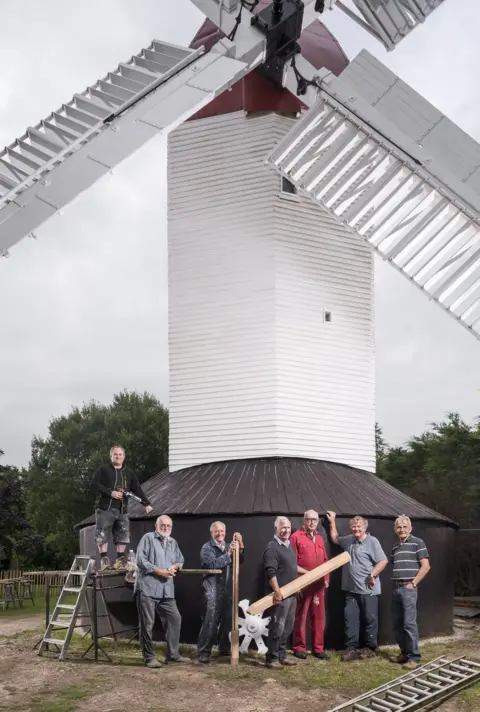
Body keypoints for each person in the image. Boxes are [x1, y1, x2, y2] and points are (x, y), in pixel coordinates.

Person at [326, 511, 388, 661]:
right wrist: (332, 521)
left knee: (369, 620)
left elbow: (383, 561)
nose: (356, 529)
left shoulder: (372, 541)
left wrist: (372, 574)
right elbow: (335, 539)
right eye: (353, 526)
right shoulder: (348, 541)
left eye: (359, 526)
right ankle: (351, 649)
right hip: (351, 591)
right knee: (350, 620)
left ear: (365, 528)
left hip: (369, 590)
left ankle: (370, 648)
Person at [135, 515, 190, 668]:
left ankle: (173, 655)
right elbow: (140, 560)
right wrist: (159, 571)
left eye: (168, 526)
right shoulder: (148, 538)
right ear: (156, 526)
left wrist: (175, 567)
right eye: (163, 525)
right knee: (147, 624)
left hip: (166, 590)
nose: (166, 528)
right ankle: (149, 657)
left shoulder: (173, 542)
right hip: (148, 588)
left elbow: (180, 559)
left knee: (175, 619)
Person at [92, 445, 153, 571]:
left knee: (123, 534)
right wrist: (110, 493)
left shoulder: (129, 473)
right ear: (111, 456)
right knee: (102, 534)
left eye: (120, 454)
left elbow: (137, 489)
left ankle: (120, 561)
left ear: (124, 457)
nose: (118, 456)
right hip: (105, 507)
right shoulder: (103, 469)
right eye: (115, 454)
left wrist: (146, 503)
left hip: (122, 509)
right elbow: (94, 484)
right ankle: (104, 561)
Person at [197, 521, 244, 663]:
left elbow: (239, 560)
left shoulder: (228, 546)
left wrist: (240, 545)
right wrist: (228, 554)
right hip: (211, 589)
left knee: (227, 620)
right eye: (217, 531)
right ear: (212, 533)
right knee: (210, 621)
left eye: (222, 531)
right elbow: (211, 564)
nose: (220, 534)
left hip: (225, 588)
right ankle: (204, 652)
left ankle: (223, 649)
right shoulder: (207, 548)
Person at [390, 515, 431, 669]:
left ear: (410, 528)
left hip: (408, 589)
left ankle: (414, 658)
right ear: (395, 529)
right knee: (397, 624)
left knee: (409, 624)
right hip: (396, 588)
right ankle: (405, 653)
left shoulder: (417, 542)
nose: (402, 530)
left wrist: (413, 583)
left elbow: (426, 566)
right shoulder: (395, 546)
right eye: (399, 527)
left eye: (405, 527)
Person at [290, 509, 329, 660]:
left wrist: (326, 578)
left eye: (315, 519)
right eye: (309, 519)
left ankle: (318, 649)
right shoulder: (295, 537)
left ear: (318, 521)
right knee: (300, 616)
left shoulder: (319, 538)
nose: (312, 522)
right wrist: (296, 584)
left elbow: (325, 561)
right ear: (304, 520)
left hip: (318, 585)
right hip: (302, 584)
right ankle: (299, 648)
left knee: (319, 618)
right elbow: (291, 563)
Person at [263, 516, 298, 669]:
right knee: (277, 627)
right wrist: (277, 591)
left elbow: (292, 568)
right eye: (283, 527)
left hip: (292, 594)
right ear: (276, 529)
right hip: (281, 595)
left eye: (288, 527)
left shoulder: (289, 546)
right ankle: (272, 658)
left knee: (287, 627)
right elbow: (271, 571)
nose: (286, 530)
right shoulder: (272, 547)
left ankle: (282, 655)